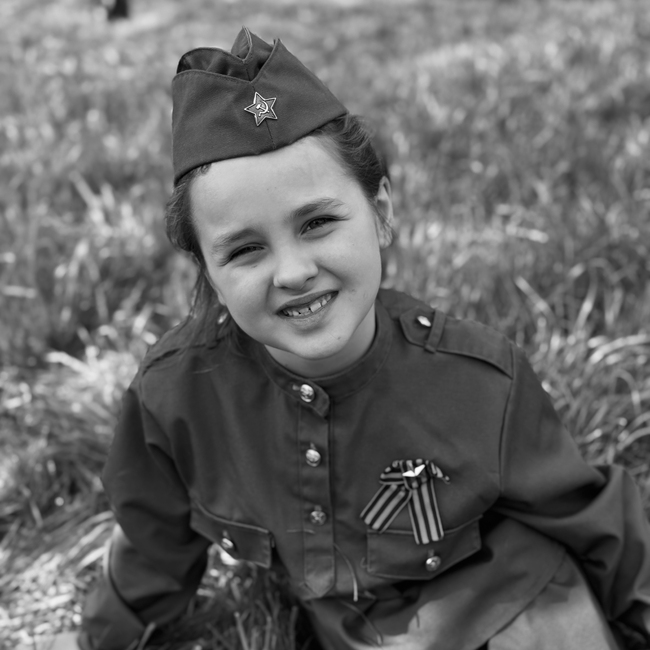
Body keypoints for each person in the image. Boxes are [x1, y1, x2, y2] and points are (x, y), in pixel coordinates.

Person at [60, 27, 650, 650]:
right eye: (245, 249)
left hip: (522, 608)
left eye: (317, 222)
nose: (293, 272)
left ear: (381, 213)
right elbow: (151, 544)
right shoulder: (176, 398)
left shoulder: (480, 382)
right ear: (208, 272)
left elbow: (591, 516)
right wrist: (100, 639)